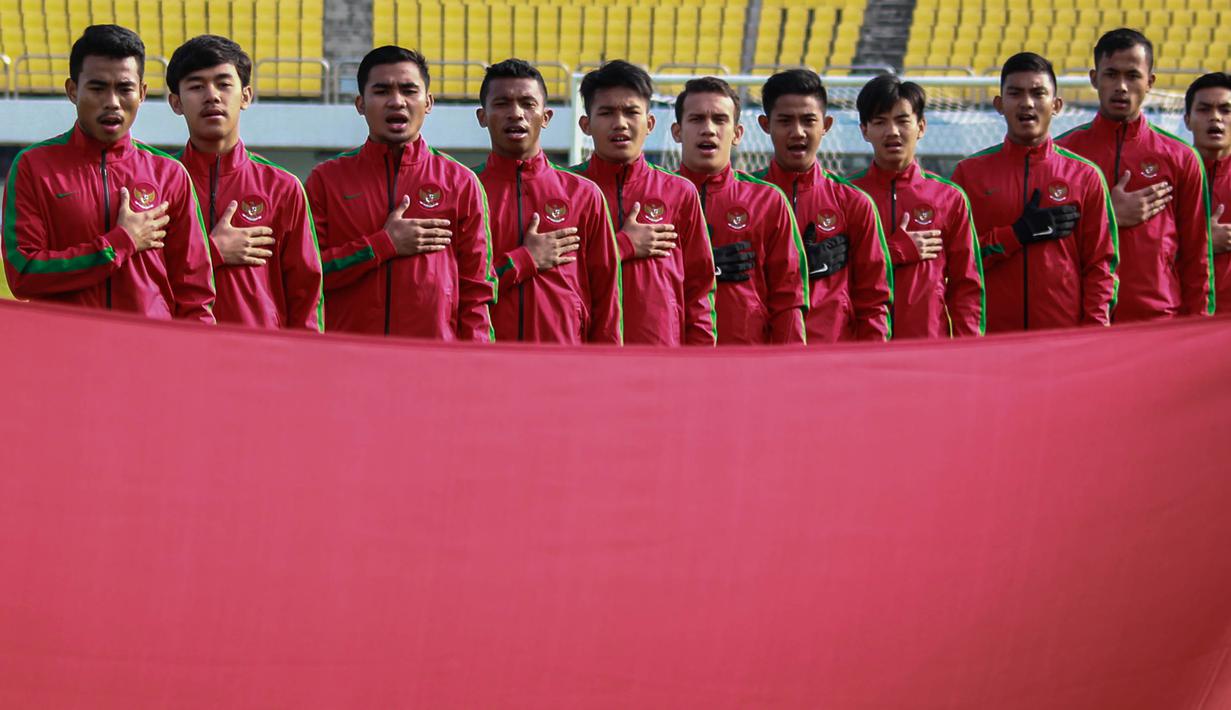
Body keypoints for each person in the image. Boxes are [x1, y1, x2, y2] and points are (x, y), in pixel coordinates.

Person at [2, 24, 214, 321]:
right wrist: (118, 244)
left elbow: (195, 292)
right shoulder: (33, 166)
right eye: (97, 88)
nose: (112, 102)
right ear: (72, 90)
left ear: (142, 93)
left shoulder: (170, 174)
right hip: (64, 344)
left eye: (124, 88)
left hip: (148, 345)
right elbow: (23, 273)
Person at [305, 46, 495, 339]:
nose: (396, 101)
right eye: (382, 91)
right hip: (348, 353)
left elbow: (476, 289)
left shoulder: (461, 182)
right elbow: (308, 275)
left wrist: (475, 359)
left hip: (432, 356)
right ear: (360, 104)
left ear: (428, 102)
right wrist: (383, 245)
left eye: (409, 90)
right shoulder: (326, 179)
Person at [952, 52, 1118, 331]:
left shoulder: (1086, 176)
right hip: (991, 338)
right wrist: (1016, 234)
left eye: (1038, 93)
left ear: (1056, 105)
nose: (1027, 103)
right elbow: (958, 263)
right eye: (1015, 93)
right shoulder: (968, 174)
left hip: (1063, 338)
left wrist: (1094, 331)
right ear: (999, 104)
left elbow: (1100, 266)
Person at [168, 34, 323, 331]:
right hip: (177, 347)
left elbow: (306, 292)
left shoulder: (283, 187)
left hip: (260, 351)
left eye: (224, 84)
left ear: (246, 96)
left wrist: (305, 354)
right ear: (176, 102)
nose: (212, 96)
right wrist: (213, 252)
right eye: (196, 86)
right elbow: (145, 279)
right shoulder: (161, 182)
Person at [1057, 28, 1213, 320]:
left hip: (1158, 318)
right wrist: (1109, 216)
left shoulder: (1181, 157)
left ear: (1150, 82)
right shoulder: (1063, 154)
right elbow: (1047, 244)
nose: (1121, 86)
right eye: (1111, 74)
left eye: (1132, 76)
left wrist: (1197, 325)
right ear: (1094, 78)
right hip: (1080, 319)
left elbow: (1197, 256)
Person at [474, 58, 622, 344]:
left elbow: (607, 296)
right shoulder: (466, 190)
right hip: (487, 357)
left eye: (528, 104)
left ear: (546, 116)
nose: (516, 113)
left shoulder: (584, 194)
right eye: (502, 103)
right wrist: (523, 260)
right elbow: (456, 290)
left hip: (563, 358)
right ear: (482, 116)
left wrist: (606, 362)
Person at [570, 60, 715, 345]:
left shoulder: (680, 192)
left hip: (661, 354)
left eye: (631, 112)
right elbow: (555, 274)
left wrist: (700, 357)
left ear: (649, 123)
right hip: (584, 353)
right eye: (607, 113)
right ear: (586, 125)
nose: (620, 123)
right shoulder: (566, 190)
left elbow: (699, 289)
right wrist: (622, 245)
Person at [752, 68, 893, 342]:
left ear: (826, 124)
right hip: (760, 354)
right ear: (765, 124)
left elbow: (874, 299)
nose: (797, 132)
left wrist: (873, 358)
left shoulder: (854, 202)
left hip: (831, 354)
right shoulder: (748, 197)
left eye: (808, 120)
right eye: (785, 121)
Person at [672, 76, 807, 344]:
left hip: (747, 355)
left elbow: (789, 296)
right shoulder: (658, 198)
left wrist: (791, 360)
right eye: (697, 119)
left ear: (737, 133)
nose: (708, 129)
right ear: (677, 131)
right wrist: (706, 268)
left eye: (720, 119)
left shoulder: (768, 201)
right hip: (670, 354)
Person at [849, 75, 984, 338]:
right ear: (864, 130)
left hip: (929, 345)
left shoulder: (949, 197)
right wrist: (894, 251)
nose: (892, 131)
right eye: (880, 122)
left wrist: (968, 349)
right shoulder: (847, 195)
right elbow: (833, 277)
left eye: (902, 120)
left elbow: (967, 285)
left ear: (921, 127)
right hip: (863, 346)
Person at [1183, 72, 1231, 309]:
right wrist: (1205, 242)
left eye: (1225, 110)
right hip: (1179, 315)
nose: (1215, 117)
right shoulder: (1169, 176)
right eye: (1204, 109)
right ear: (1187, 120)